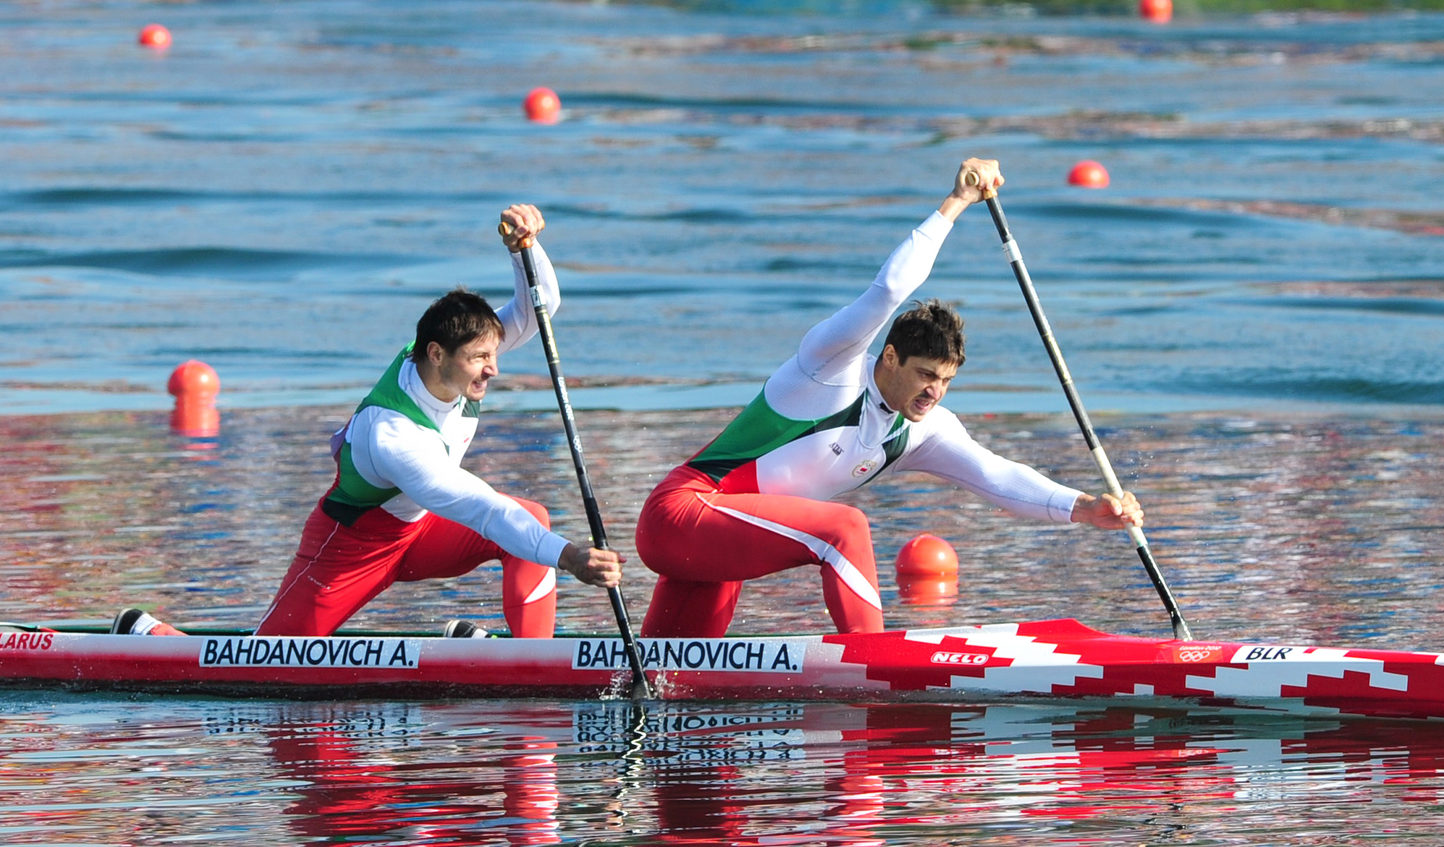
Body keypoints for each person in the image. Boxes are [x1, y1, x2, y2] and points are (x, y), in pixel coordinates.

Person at [635, 159, 1145, 639]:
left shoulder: (921, 431)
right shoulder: (830, 368)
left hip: (718, 548)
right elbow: (888, 291)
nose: (934, 391)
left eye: (945, 380)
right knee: (846, 528)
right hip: (681, 512)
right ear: (891, 357)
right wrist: (956, 202)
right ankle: (872, 670)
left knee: (671, 678)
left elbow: (996, 478)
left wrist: (1084, 508)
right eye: (925, 374)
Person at [239, 204, 622, 638]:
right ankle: (149, 634)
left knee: (529, 518)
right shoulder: (393, 434)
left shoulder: (451, 360)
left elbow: (541, 306)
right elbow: (482, 508)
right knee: (269, 658)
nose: (493, 369)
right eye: (481, 358)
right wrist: (570, 557)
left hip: (422, 532)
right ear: (437, 354)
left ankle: (532, 656)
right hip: (353, 548)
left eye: (493, 354)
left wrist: (524, 249)